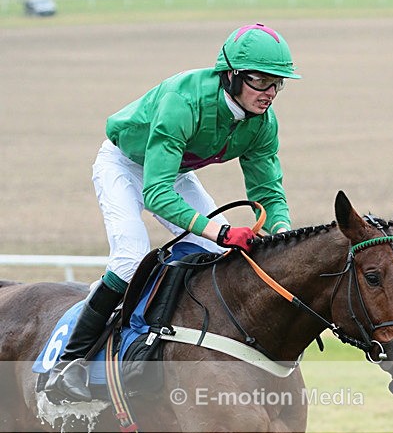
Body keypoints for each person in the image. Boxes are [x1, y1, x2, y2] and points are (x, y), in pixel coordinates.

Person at [45, 22, 300, 403]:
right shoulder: (183, 101)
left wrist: (281, 232)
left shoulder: (263, 123)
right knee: (131, 257)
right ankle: (69, 366)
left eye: (277, 83)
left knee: (222, 255)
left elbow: (267, 190)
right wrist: (220, 231)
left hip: (176, 171)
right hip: (126, 166)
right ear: (230, 76)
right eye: (261, 81)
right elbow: (158, 192)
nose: (270, 93)